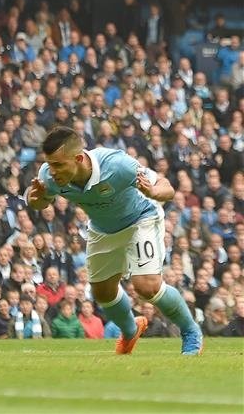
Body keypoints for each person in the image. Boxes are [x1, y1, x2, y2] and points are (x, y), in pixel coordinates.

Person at [26, 126, 202, 355]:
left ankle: (190, 331)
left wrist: (154, 193)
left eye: (59, 164)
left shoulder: (117, 165)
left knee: (146, 286)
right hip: (102, 228)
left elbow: (166, 187)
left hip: (140, 219)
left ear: (78, 158)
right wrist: (36, 199)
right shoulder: (49, 175)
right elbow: (39, 202)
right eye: (50, 164)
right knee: (102, 293)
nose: (53, 170)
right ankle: (130, 331)